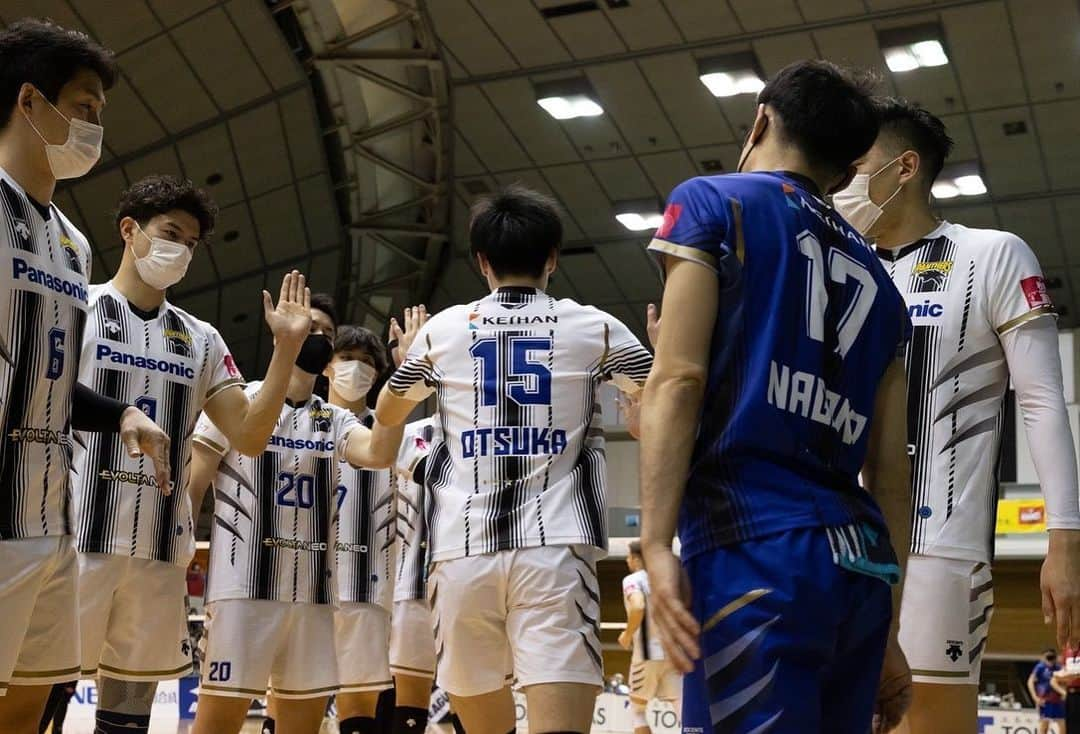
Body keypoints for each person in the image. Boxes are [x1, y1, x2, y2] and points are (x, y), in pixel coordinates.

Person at [638, 60, 915, 734]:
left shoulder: (711, 201)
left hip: (753, 548)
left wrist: (653, 544)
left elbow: (678, 379)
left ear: (761, 118)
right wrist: (890, 626)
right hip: (860, 567)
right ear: (847, 173)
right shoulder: (883, 288)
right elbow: (892, 470)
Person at [367, 185, 654, 734]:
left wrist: (416, 369)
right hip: (554, 552)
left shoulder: (443, 328)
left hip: (460, 552)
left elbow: (386, 408)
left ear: (481, 263)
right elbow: (661, 395)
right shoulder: (593, 326)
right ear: (551, 259)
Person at [833, 98, 1080, 734]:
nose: (841, 182)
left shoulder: (992, 254)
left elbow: (1042, 402)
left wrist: (1065, 540)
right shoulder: (833, 269)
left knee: (928, 724)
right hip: (832, 539)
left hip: (939, 543)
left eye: (856, 164)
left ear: (905, 167)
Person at [70, 174, 316, 734]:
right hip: (75, 539)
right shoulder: (79, 308)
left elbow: (250, 436)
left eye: (190, 242)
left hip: (160, 549)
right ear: (129, 231)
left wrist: (285, 351)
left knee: (127, 714)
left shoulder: (202, 338)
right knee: (39, 692)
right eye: (169, 232)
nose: (179, 250)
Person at [0, 19, 171, 732]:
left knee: (33, 702)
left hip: (49, 509)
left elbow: (48, 372)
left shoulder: (71, 242)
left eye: (101, 110)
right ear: (30, 101)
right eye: (84, 104)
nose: (95, 124)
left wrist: (121, 414)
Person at [184, 293, 401, 734]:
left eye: (321, 330)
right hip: (243, 592)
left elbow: (379, 454)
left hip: (315, 600)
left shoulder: (336, 420)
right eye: (303, 324)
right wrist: (178, 551)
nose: (311, 334)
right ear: (282, 328)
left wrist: (405, 379)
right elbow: (194, 485)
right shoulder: (237, 401)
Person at [327, 324, 396, 734]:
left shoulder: (392, 435)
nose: (357, 369)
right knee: (290, 698)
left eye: (368, 362)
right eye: (347, 358)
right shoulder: (302, 422)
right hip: (303, 584)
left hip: (366, 587)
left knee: (359, 702)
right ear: (326, 367)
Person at [619, 541, 680, 734]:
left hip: (647, 653)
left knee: (637, 710)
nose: (627, 560)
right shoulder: (669, 578)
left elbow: (638, 606)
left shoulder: (632, 580)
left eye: (628, 556)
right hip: (674, 652)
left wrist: (627, 634)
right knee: (682, 709)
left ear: (636, 559)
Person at [1029, 649, 1067, 734]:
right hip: (1044, 700)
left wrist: (1063, 692)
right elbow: (1030, 681)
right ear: (1043, 658)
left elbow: (1064, 682)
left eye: (1052, 657)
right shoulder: (1040, 667)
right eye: (1048, 657)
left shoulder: (1058, 668)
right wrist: (1035, 697)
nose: (1050, 659)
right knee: (1044, 725)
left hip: (1058, 700)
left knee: (1062, 724)